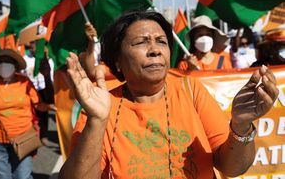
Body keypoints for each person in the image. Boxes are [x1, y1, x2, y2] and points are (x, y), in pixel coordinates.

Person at [59, 10, 278, 179]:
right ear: (117, 59)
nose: (155, 50)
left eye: (161, 41)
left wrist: (241, 126)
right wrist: (97, 121)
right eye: (141, 42)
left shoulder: (190, 91)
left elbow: (234, 168)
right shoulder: (101, 107)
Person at [0, 49, 54, 179]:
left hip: (23, 138)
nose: (4, 65)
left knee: (23, 176)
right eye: (1, 62)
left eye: (8, 62)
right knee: (2, 177)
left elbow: (38, 104)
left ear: (15, 65)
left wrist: (50, 107)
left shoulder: (25, 82)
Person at [23, 41, 55, 145]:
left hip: (43, 89)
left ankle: (44, 135)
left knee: (43, 113)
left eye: (36, 43)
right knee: (31, 113)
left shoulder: (47, 59)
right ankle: (32, 135)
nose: (33, 46)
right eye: (31, 43)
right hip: (29, 90)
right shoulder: (25, 59)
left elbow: (51, 76)